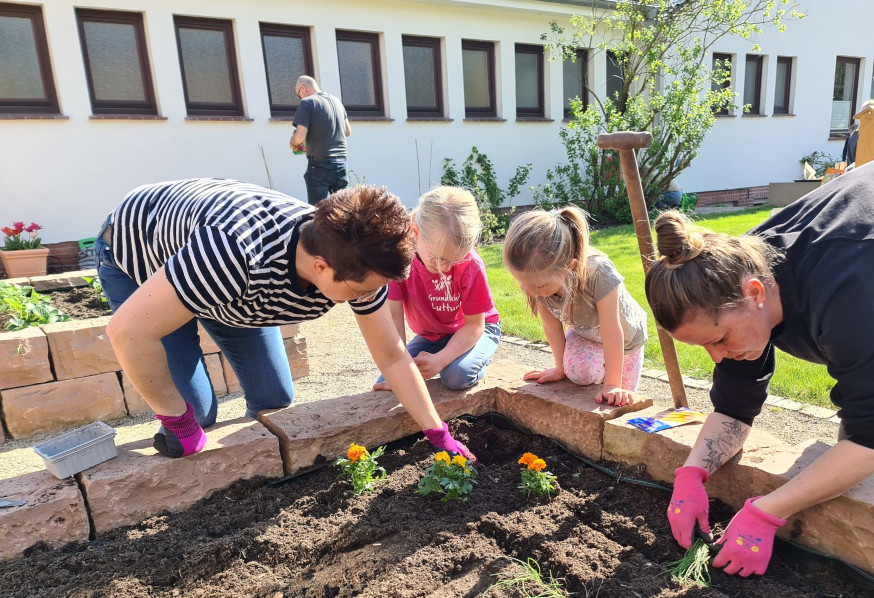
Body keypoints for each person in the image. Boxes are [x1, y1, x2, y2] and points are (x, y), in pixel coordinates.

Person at [645, 129, 874, 577]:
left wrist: (767, 512)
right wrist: (692, 473)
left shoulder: (851, 287)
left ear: (755, 293)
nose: (717, 357)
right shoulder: (734, 273)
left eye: (718, 340)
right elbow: (735, 404)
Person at [99, 177, 473, 461]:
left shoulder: (359, 259)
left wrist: (437, 432)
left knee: (273, 398)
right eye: (361, 292)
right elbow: (127, 333)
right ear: (321, 267)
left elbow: (392, 357)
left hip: (223, 281)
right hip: (139, 253)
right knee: (196, 414)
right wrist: (176, 419)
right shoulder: (234, 256)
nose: (369, 298)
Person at [503, 206, 648, 407]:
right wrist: (560, 369)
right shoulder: (539, 281)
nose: (528, 291)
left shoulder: (599, 273)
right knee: (579, 371)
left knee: (619, 401)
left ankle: (607, 376)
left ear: (569, 267)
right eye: (522, 282)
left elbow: (612, 333)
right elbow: (552, 327)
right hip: (586, 334)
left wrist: (613, 385)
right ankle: (597, 371)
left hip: (625, 341)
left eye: (538, 285)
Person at [373, 186, 501, 392]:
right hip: (433, 335)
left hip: (477, 328)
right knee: (392, 377)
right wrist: (400, 368)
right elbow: (394, 318)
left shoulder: (471, 264)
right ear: (415, 232)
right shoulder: (399, 261)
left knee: (456, 376)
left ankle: (477, 357)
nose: (445, 268)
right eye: (438, 258)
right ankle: (452, 354)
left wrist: (441, 360)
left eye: (454, 260)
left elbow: (474, 325)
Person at [290, 76, 351, 205]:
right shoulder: (337, 101)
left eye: (298, 95)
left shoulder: (307, 103)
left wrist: (292, 142)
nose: (300, 98)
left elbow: (299, 138)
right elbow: (347, 131)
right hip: (341, 163)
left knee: (317, 212)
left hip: (320, 165)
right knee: (343, 211)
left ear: (303, 89)